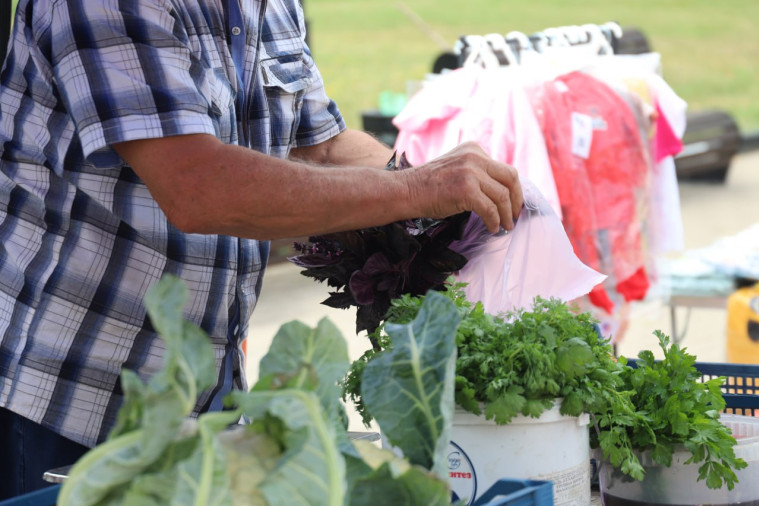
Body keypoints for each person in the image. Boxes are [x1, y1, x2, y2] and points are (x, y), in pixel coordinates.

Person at [0, 0, 523, 498]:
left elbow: (321, 146)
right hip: (71, 399)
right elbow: (196, 186)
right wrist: (418, 189)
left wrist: (452, 196)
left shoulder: (270, 6)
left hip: (208, 402)